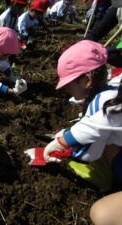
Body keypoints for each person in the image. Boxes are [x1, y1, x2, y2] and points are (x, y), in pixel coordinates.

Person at [41, 40, 122, 223]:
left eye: (68, 85)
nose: (67, 90)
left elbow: (88, 150)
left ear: (87, 80)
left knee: (101, 214)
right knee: (109, 144)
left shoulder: (107, 108)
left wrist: (60, 144)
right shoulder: (113, 88)